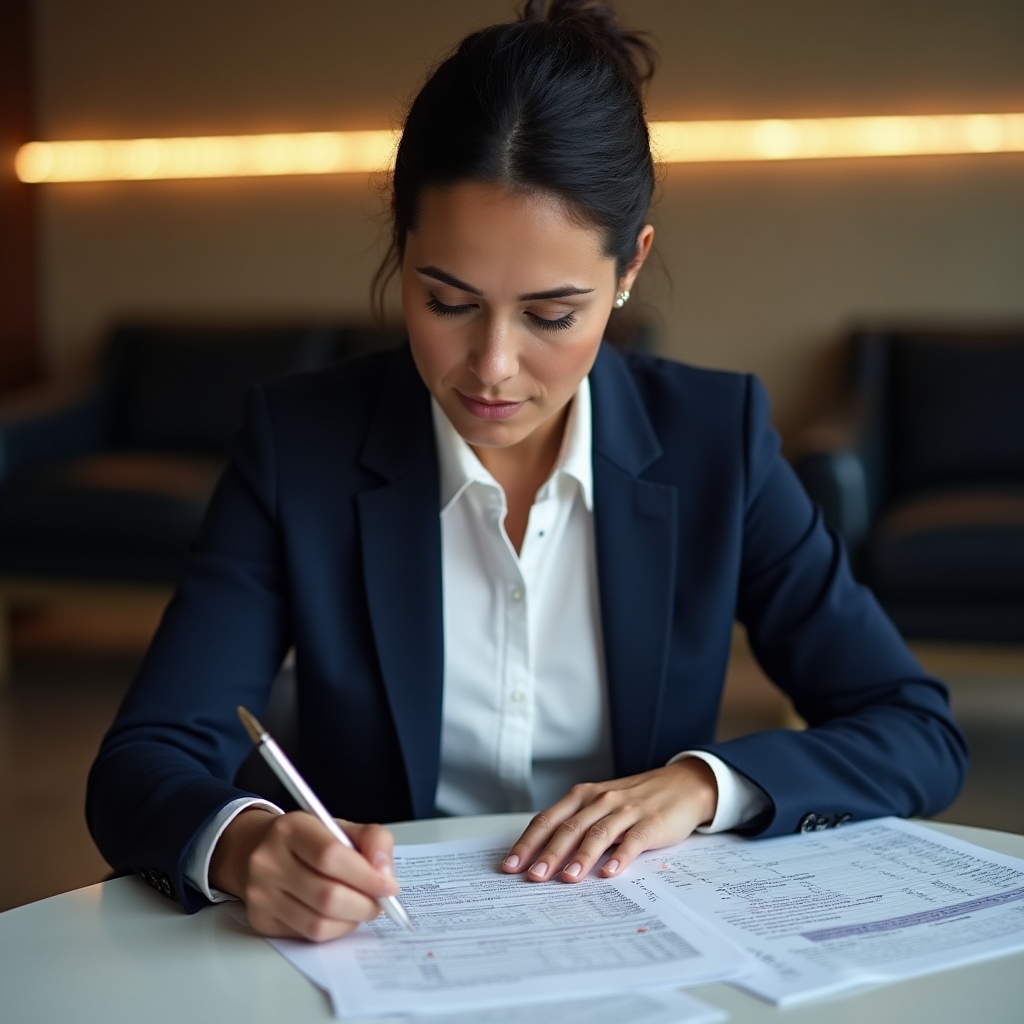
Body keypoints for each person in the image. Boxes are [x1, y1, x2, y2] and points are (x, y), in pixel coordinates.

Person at [87, 0, 968, 943]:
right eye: (447, 301)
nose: (493, 366)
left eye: (552, 314)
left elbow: (913, 727)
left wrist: (699, 786)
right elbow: (146, 759)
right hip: (383, 954)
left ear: (631, 265)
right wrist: (248, 845)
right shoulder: (297, 446)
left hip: (640, 955)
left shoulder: (719, 440)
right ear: (402, 248)